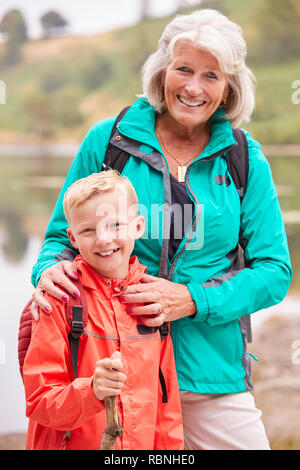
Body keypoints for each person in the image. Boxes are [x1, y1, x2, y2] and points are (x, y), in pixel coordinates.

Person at [29, 9, 292, 450]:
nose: (193, 87)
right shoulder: (108, 141)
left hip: (210, 371)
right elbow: (60, 237)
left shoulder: (245, 158)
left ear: (230, 86)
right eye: (183, 69)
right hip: (115, 366)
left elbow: (274, 271)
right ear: (162, 71)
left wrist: (192, 300)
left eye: (211, 75)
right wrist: (47, 271)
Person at [23, 171, 184, 450]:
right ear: (72, 238)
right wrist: (91, 392)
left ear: (138, 227)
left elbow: (166, 405)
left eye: (116, 225)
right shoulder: (60, 300)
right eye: (88, 230)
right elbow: (39, 401)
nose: (103, 239)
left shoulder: (150, 301)